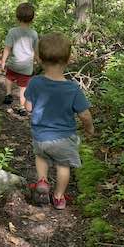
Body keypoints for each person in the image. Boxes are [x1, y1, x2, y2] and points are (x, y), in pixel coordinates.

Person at [24, 32, 94, 210]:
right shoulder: (72, 88)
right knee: (64, 166)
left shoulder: (35, 82)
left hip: (41, 136)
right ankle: (58, 197)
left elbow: (28, 107)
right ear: (69, 59)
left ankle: (42, 180)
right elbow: (84, 115)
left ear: (39, 58)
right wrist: (89, 129)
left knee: (41, 156)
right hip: (64, 138)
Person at [1, 2, 38, 117]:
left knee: (8, 77)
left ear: (17, 18)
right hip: (26, 67)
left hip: (13, 64)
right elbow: (36, 51)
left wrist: (3, 62)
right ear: (32, 19)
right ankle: (22, 107)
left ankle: (8, 94)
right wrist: (39, 61)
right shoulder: (34, 34)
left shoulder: (12, 31)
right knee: (23, 88)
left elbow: (7, 47)